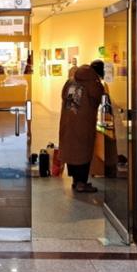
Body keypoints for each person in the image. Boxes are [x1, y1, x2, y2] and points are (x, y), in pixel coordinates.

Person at [58, 60, 106, 192]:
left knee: (71, 150)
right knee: (83, 152)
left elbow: (63, 96)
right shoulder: (94, 83)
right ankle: (81, 183)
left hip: (67, 122)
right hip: (84, 124)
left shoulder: (71, 81)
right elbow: (99, 98)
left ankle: (75, 181)